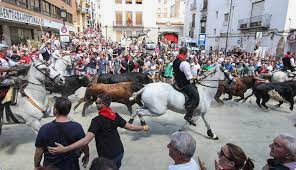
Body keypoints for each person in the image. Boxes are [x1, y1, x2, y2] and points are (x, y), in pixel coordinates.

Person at [48, 94, 149, 168]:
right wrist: (143, 127)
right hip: (119, 152)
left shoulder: (97, 121)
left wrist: (65, 149)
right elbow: (130, 127)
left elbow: (86, 140)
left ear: (102, 104)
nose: (95, 104)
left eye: (97, 102)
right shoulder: (115, 116)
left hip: (107, 157)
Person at [34, 97, 89, 170]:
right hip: (71, 167)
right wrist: (87, 155)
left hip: (50, 167)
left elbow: (38, 152)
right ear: (68, 111)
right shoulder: (77, 127)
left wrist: (37, 165)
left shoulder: (45, 129)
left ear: (55, 110)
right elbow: (84, 145)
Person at [173, 47, 199, 126]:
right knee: (196, 96)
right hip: (184, 84)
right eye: (187, 53)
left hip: (176, 82)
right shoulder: (184, 63)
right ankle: (188, 115)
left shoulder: (175, 60)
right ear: (186, 53)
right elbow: (189, 78)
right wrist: (197, 77)